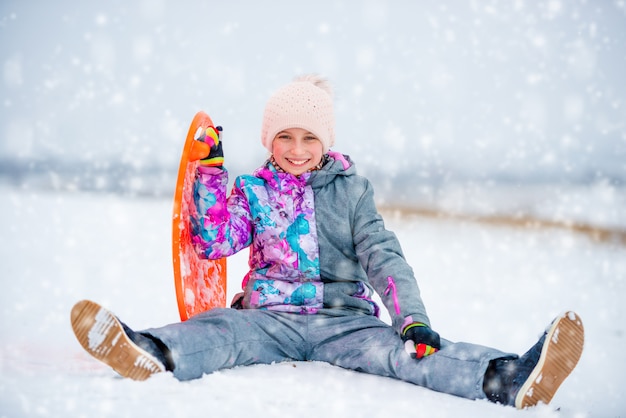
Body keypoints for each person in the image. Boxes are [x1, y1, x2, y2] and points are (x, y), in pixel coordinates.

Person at [71, 75, 584, 409]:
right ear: (269, 140)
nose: (296, 150)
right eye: (285, 137)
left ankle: (511, 377)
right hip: (270, 317)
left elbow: (382, 254)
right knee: (220, 331)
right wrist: (210, 176)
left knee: (408, 354)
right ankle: (150, 351)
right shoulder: (253, 190)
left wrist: (412, 319)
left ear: (327, 142)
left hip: (348, 322)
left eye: (309, 138)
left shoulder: (353, 192)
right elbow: (213, 242)